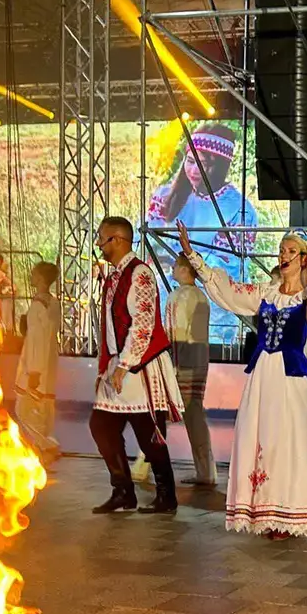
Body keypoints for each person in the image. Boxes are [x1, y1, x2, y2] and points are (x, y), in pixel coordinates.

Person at [178, 220, 307, 538]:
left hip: (289, 377)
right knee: (258, 437)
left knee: (285, 441)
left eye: (292, 251)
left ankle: (286, 512)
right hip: (262, 376)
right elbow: (228, 291)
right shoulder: (264, 293)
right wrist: (194, 257)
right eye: (282, 249)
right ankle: (260, 509)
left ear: (304, 259)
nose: (284, 255)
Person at [89, 216, 184, 515]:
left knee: (148, 432)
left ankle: (166, 496)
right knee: (100, 424)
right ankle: (123, 491)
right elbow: (108, 327)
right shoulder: (114, 276)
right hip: (119, 362)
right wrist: (106, 367)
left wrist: (124, 365)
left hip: (142, 364)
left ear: (117, 240)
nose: (98, 245)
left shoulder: (140, 273)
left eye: (102, 239)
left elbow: (143, 323)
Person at [147, 124, 258, 345]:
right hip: (167, 292)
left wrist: (186, 261)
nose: (195, 171)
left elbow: (230, 265)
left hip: (209, 302)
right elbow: (148, 242)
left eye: (205, 165)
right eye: (190, 162)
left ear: (222, 166)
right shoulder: (165, 196)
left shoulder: (239, 208)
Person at [165, 253, 216, 486]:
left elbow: (176, 332)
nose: (173, 269)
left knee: (162, 413)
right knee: (194, 415)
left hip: (181, 362)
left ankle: (144, 466)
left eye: (176, 266)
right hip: (198, 362)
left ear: (185, 270)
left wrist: (171, 364)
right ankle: (205, 471)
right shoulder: (201, 297)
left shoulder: (180, 296)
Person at [15, 262, 62, 462]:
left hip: (36, 368)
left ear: (41, 279)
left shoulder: (37, 306)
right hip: (49, 364)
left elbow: (36, 341)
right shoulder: (54, 303)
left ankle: (45, 447)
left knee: (24, 411)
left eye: (34, 274)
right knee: (43, 411)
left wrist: (34, 372)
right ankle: (44, 448)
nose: (31, 276)